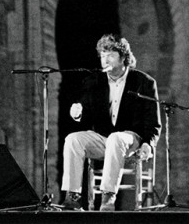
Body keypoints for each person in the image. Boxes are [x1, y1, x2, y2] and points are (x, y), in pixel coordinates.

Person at [60, 34, 161, 212]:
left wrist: (148, 144)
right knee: (72, 139)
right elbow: (86, 113)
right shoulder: (94, 81)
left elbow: (153, 121)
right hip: (103, 138)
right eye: (102, 56)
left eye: (110, 55)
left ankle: (108, 197)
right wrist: (77, 113)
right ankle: (72, 197)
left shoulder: (143, 82)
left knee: (116, 138)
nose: (105, 60)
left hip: (131, 139)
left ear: (123, 58)